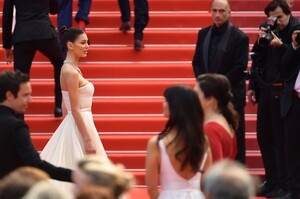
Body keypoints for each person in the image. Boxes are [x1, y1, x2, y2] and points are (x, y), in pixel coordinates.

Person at [40, 27, 107, 194]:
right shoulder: (70, 71)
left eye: (87, 43)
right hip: (81, 121)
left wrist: (67, 126)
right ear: (70, 45)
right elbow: (74, 109)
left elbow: (65, 104)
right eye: (83, 43)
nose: (87, 46)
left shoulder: (70, 68)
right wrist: (87, 138)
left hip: (77, 121)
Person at [247, 1, 299, 197]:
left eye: (279, 17)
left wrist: (281, 45)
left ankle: (286, 185)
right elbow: (256, 57)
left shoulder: (296, 29)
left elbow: (294, 59)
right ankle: (272, 180)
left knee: (283, 140)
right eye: (272, 17)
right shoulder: (267, 27)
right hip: (266, 90)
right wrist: (252, 85)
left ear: (289, 13)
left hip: (286, 92)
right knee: (264, 137)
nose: (276, 22)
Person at [192, 0, 249, 164]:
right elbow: (196, 62)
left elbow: (239, 68)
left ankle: (236, 181)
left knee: (235, 140)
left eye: (222, 11)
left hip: (230, 97)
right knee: (208, 139)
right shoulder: (203, 33)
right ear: (210, 11)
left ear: (229, 12)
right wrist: (203, 84)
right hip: (208, 97)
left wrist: (216, 86)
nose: (218, 15)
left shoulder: (240, 37)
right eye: (215, 11)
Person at [0, 70, 72, 181]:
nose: (30, 100)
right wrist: (75, 176)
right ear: (9, 95)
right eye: (25, 95)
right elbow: (36, 164)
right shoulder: (16, 127)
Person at [146, 85, 212, 199]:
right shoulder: (203, 141)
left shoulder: (157, 143)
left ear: (175, 107)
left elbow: (151, 188)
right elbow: (208, 182)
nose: (163, 104)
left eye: (167, 101)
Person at [2, 0, 64, 117]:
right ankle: (59, 106)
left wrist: (7, 45)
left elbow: (7, 16)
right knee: (60, 62)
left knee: (20, 76)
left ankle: (19, 115)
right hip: (44, 32)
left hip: (23, 35)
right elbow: (54, 10)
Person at [194, 74, 238, 162]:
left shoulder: (211, 129)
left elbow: (214, 166)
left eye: (196, 94)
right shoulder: (223, 121)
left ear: (210, 100)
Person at [279, 27, 300, 199]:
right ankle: (293, 190)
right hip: (294, 101)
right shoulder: (297, 41)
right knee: (291, 148)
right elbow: (284, 66)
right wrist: (293, 45)